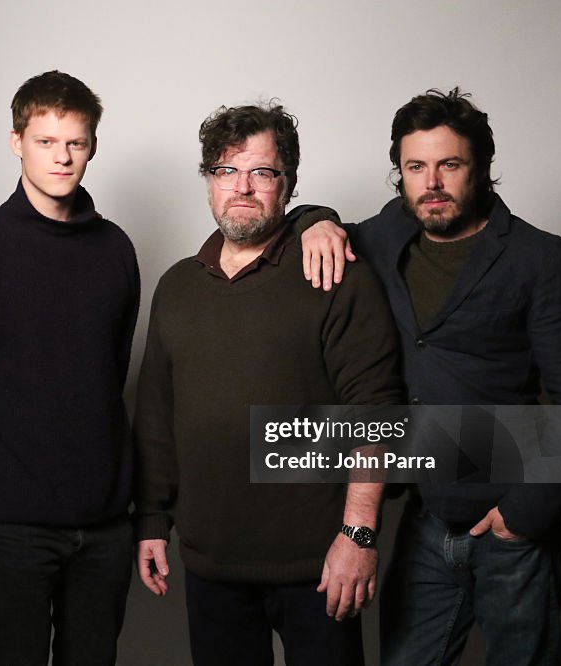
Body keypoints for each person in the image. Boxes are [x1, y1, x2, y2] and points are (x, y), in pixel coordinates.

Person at [294, 87, 561, 665]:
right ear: (400, 172)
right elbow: (319, 222)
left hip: (509, 522)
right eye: (415, 166)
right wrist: (315, 221)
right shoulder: (387, 233)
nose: (432, 181)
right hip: (425, 513)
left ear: (481, 169)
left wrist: (524, 515)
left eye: (450, 164)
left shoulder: (540, 258)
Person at [133, 102, 403, 666]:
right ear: (208, 181)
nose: (243, 188)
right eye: (226, 171)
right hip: (211, 564)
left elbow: (376, 413)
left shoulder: (332, 273)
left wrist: (358, 537)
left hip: (319, 565)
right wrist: (153, 521)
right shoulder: (178, 286)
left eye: (263, 172)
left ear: (289, 184)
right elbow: (157, 415)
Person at [0, 71, 139, 665]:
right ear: (17, 142)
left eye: (76, 142)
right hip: (12, 521)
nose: (62, 157)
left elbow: (107, 372)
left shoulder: (116, 249)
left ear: (92, 145)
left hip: (105, 520)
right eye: (46, 141)